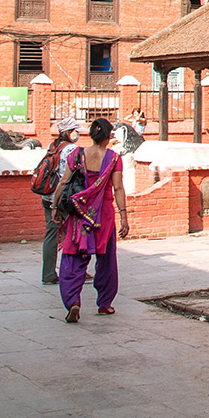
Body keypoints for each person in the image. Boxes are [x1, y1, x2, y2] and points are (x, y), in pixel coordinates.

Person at [50, 117, 129, 322]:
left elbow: (63, 182)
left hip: (79, 214)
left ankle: (73, 302)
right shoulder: (113, 158)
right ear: (108, 138)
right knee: (106, 260)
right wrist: (124, 216)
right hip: (103, 214)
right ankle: (104, 304)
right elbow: (118, 188)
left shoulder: (77, 154)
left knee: (73, 259)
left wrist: (55, 207)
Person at [40, 118, 82, 285]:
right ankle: (76, 270)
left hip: (47, 195)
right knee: (75, 232)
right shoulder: (71, 149)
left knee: (51, 233)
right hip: (62, 198)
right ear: (70, 132)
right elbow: (66, 179)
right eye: (75, 130)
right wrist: (57, 204)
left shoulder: (54, 146)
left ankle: (49, 273)